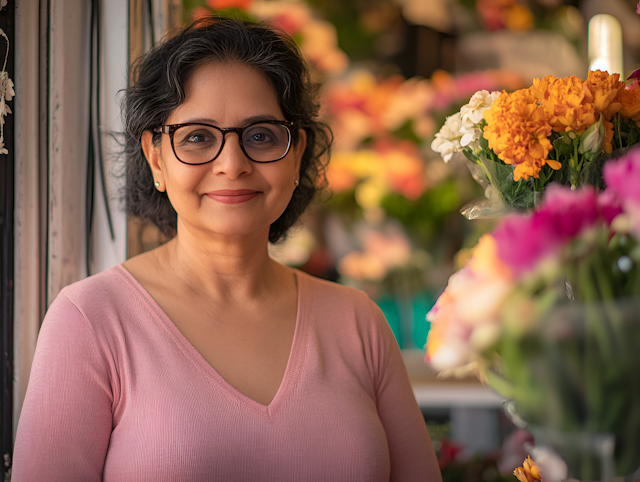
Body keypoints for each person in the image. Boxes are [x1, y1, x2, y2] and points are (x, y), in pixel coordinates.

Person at [12, 17, 441, 481]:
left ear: (296, 155)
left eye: (260, 135)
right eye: (197, 137)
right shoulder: (91, 320)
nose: (232, 165)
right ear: (156, 157)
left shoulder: (358, 322)